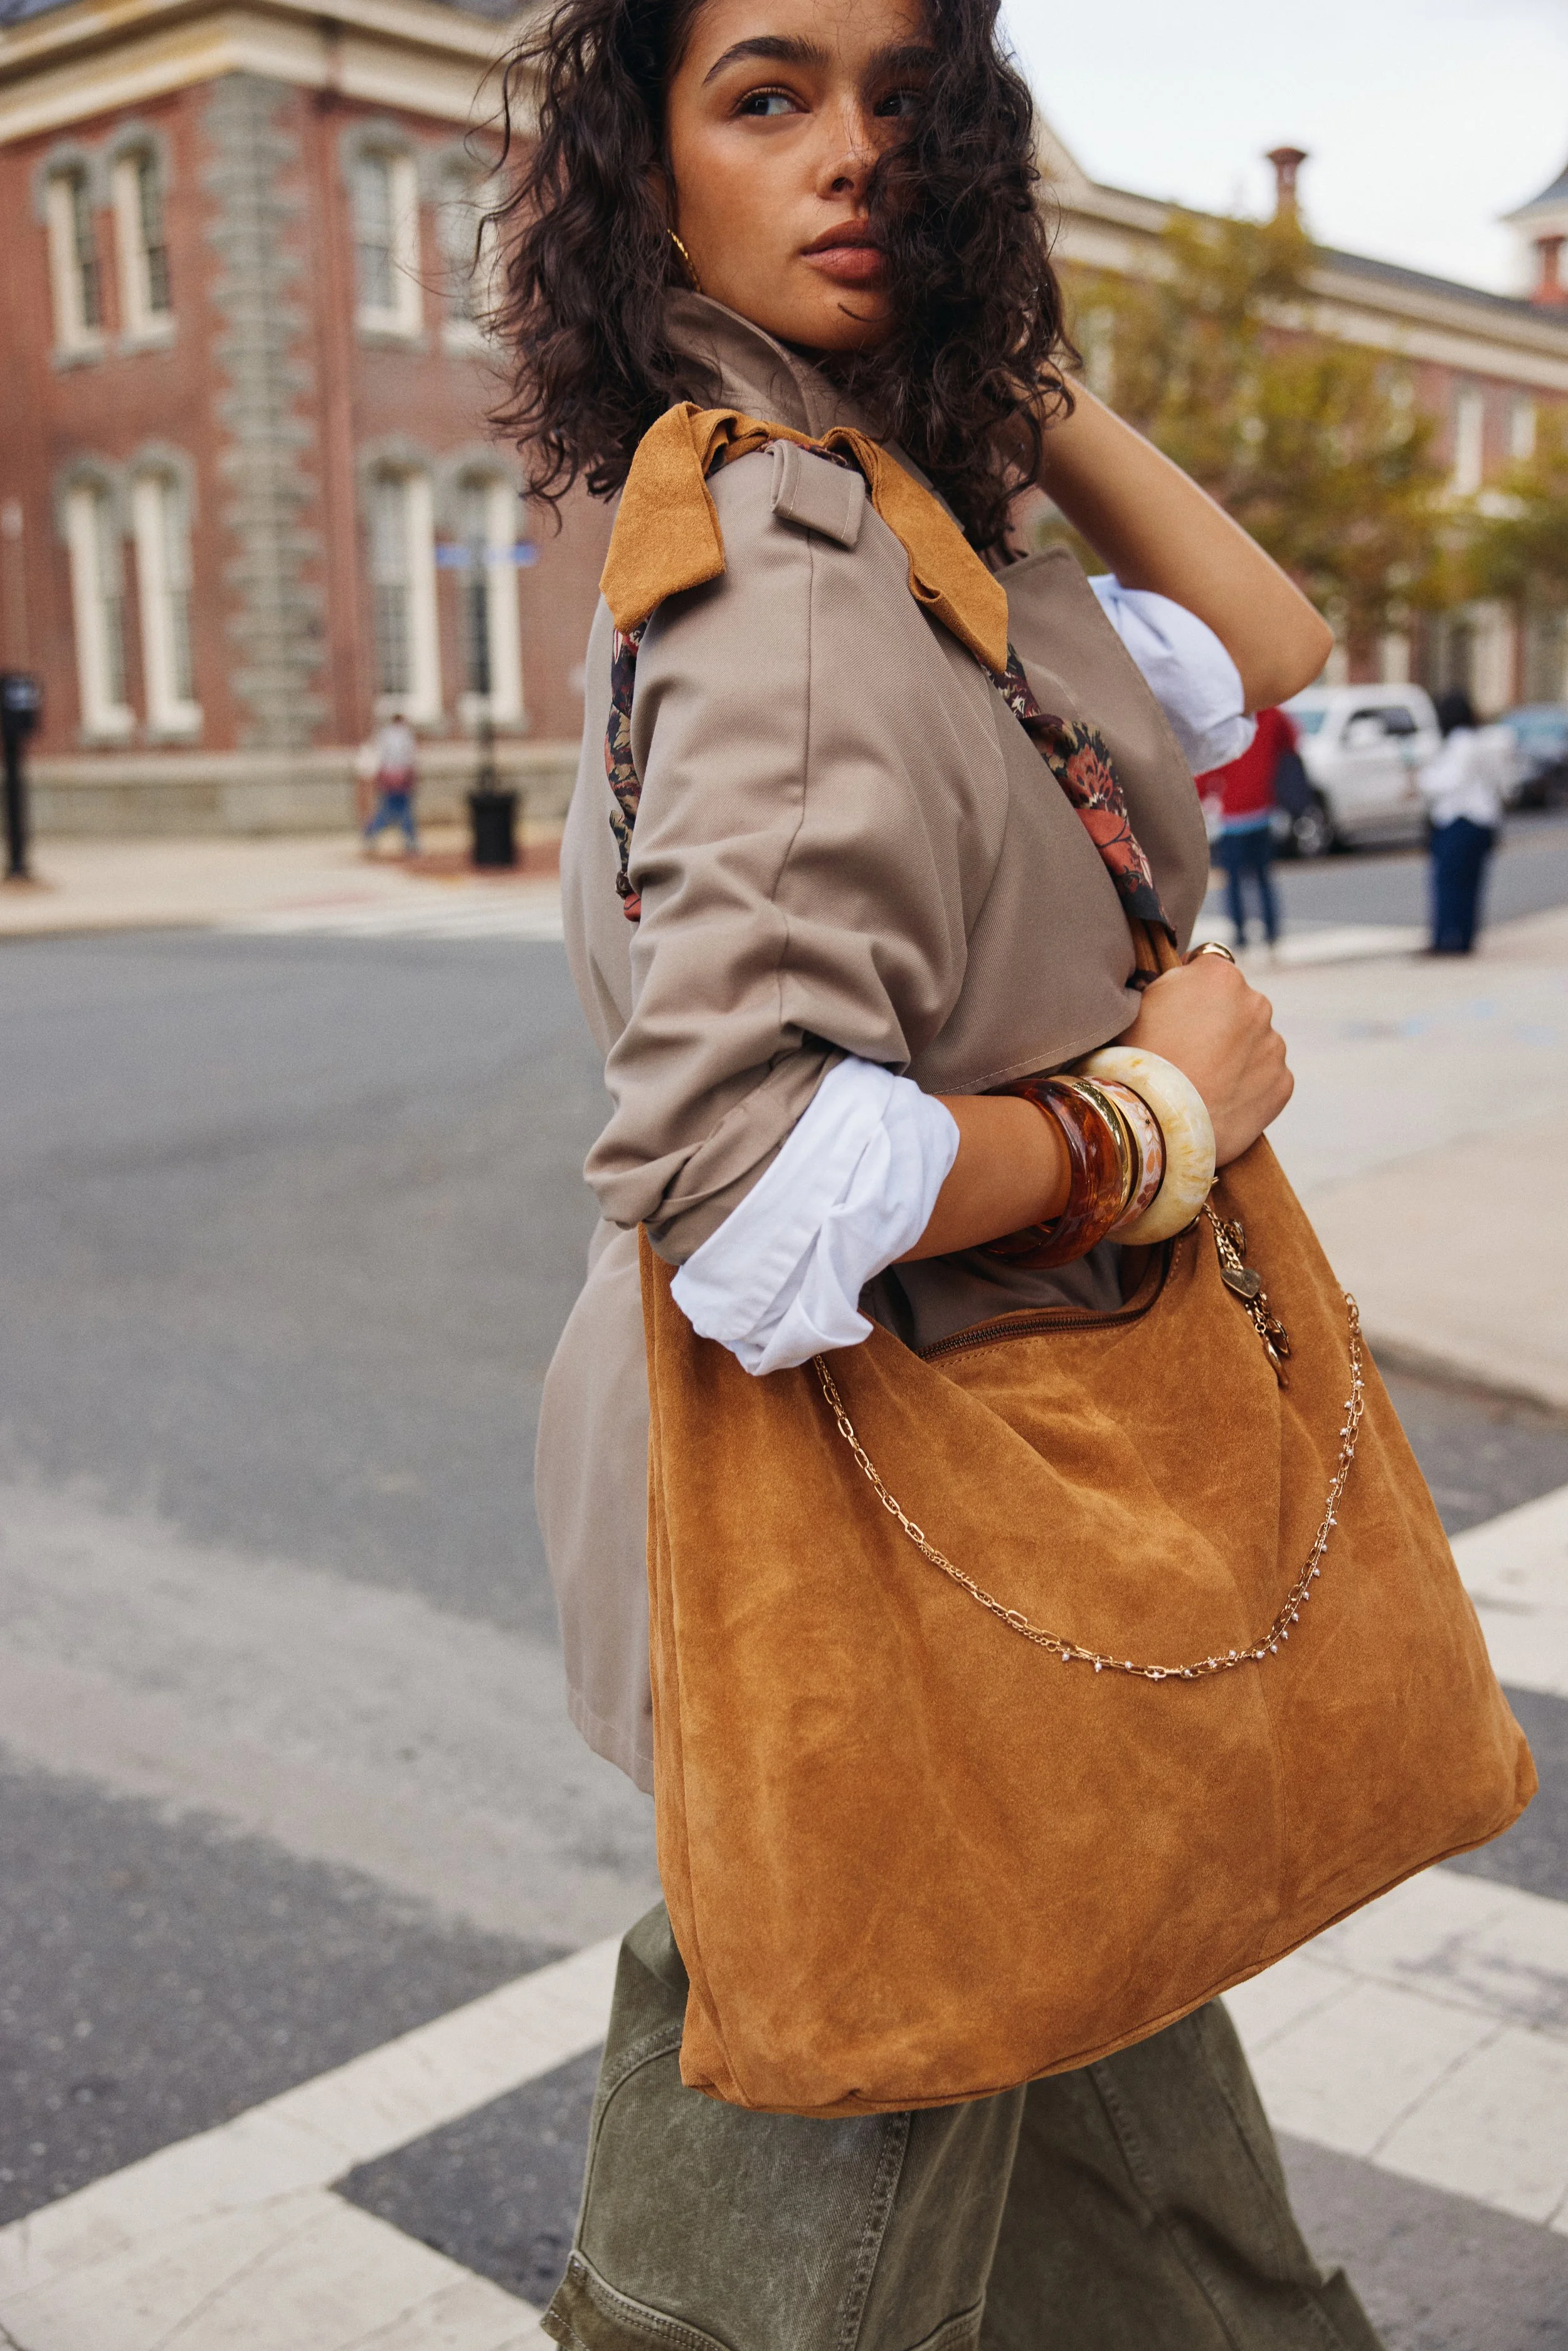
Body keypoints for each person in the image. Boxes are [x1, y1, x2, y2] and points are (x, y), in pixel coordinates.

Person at [497, 0, 1381, 2341]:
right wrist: (1156, 1119)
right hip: (878, 1533)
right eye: (768, 99)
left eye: (912, 104)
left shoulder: (896, 501)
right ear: (644, 167)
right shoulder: (791, 553)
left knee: (1119, 2119)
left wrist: (1001, 356)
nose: (854, 155)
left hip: (994, 1511)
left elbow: (1261, 650)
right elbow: (738, 1181)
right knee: (788, 2210)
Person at [1202, 704, 1299, 952]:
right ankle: (1272, 933)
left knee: (1234, 881)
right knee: (1263, 876)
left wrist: (1200, 792)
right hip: (1263, 810)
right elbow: (1292, 741)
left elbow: (1212, 764)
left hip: (1233, 815)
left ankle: (1241, 935)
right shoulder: (1273, 714)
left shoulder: (1226, 718)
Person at [1420, 687, 1505, 954]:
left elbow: (1449, 782)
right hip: (1483, 820)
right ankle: (1466, 938)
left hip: (1459, 821)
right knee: (1471, 885)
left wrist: (1420, 781)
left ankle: (1446, 939)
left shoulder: (1460, 743)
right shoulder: (1485, 742)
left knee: (1448, 884)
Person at [363, 709, 419, 854]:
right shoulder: (406, 735)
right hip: (401, 777)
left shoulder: (384, 735)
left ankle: (372, 833)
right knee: (403, 810)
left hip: (388, 777)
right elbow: (409, 758)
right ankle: (410, 841)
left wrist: (380, 777)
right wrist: (411, 777)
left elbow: (380, 758)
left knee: (388, 809)